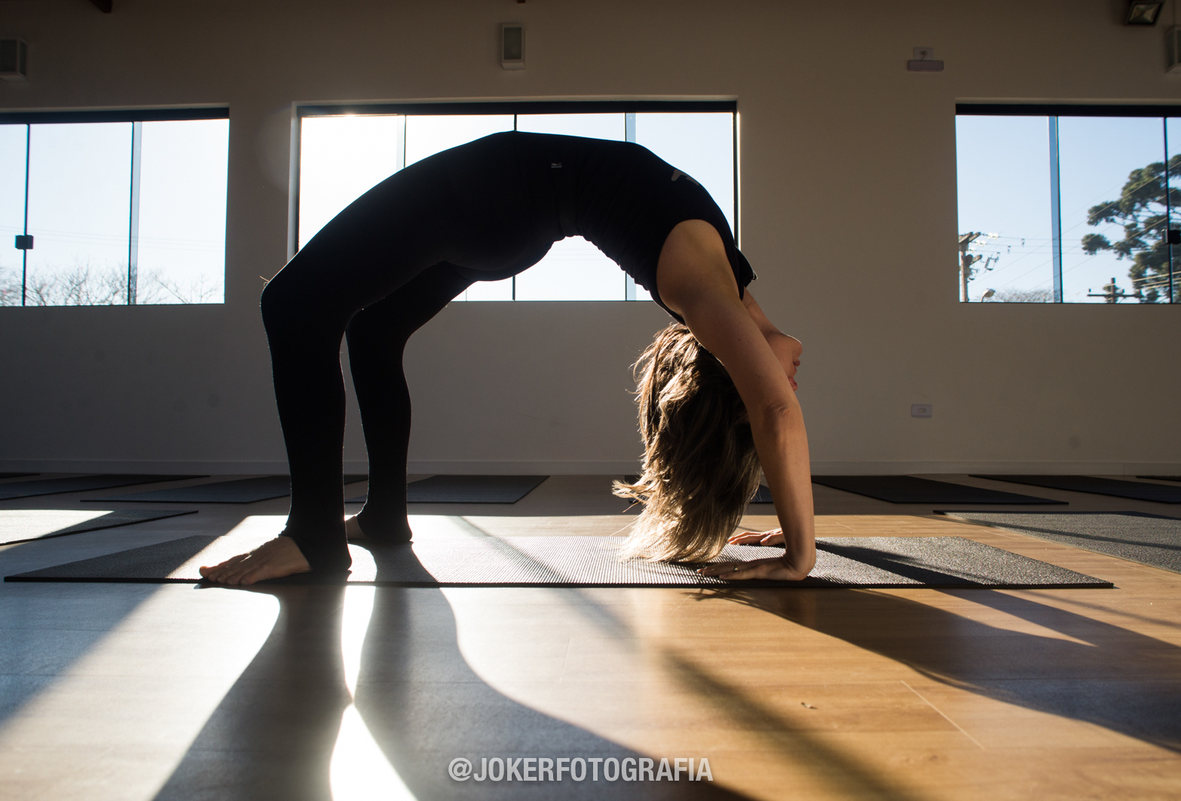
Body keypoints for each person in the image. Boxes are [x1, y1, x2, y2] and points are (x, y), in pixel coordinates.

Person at [199, 131, 814, 586]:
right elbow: (768, 396)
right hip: (512, 215)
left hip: (500, 191)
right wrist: (792, 521)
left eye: (772, 379)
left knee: (293, 304)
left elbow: (774, 412)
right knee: (375, 331)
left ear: (731, 368)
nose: (794, 371)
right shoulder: (732, 290)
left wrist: (799, 557)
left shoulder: (704, 294)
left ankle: (314, 533)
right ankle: (384, 516)